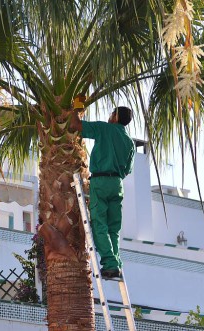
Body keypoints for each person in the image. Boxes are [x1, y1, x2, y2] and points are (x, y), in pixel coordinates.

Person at [70, 100, 135, 279]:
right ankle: (116, 263)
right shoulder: (130, 142)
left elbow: (75, 125)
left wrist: (77, 107)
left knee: (100, 224)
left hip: (101, 181)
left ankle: (110, 263)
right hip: (117, 184)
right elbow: (128, 170)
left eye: (110, 114)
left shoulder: (104, 129)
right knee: (114, 228)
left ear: (115, 117)